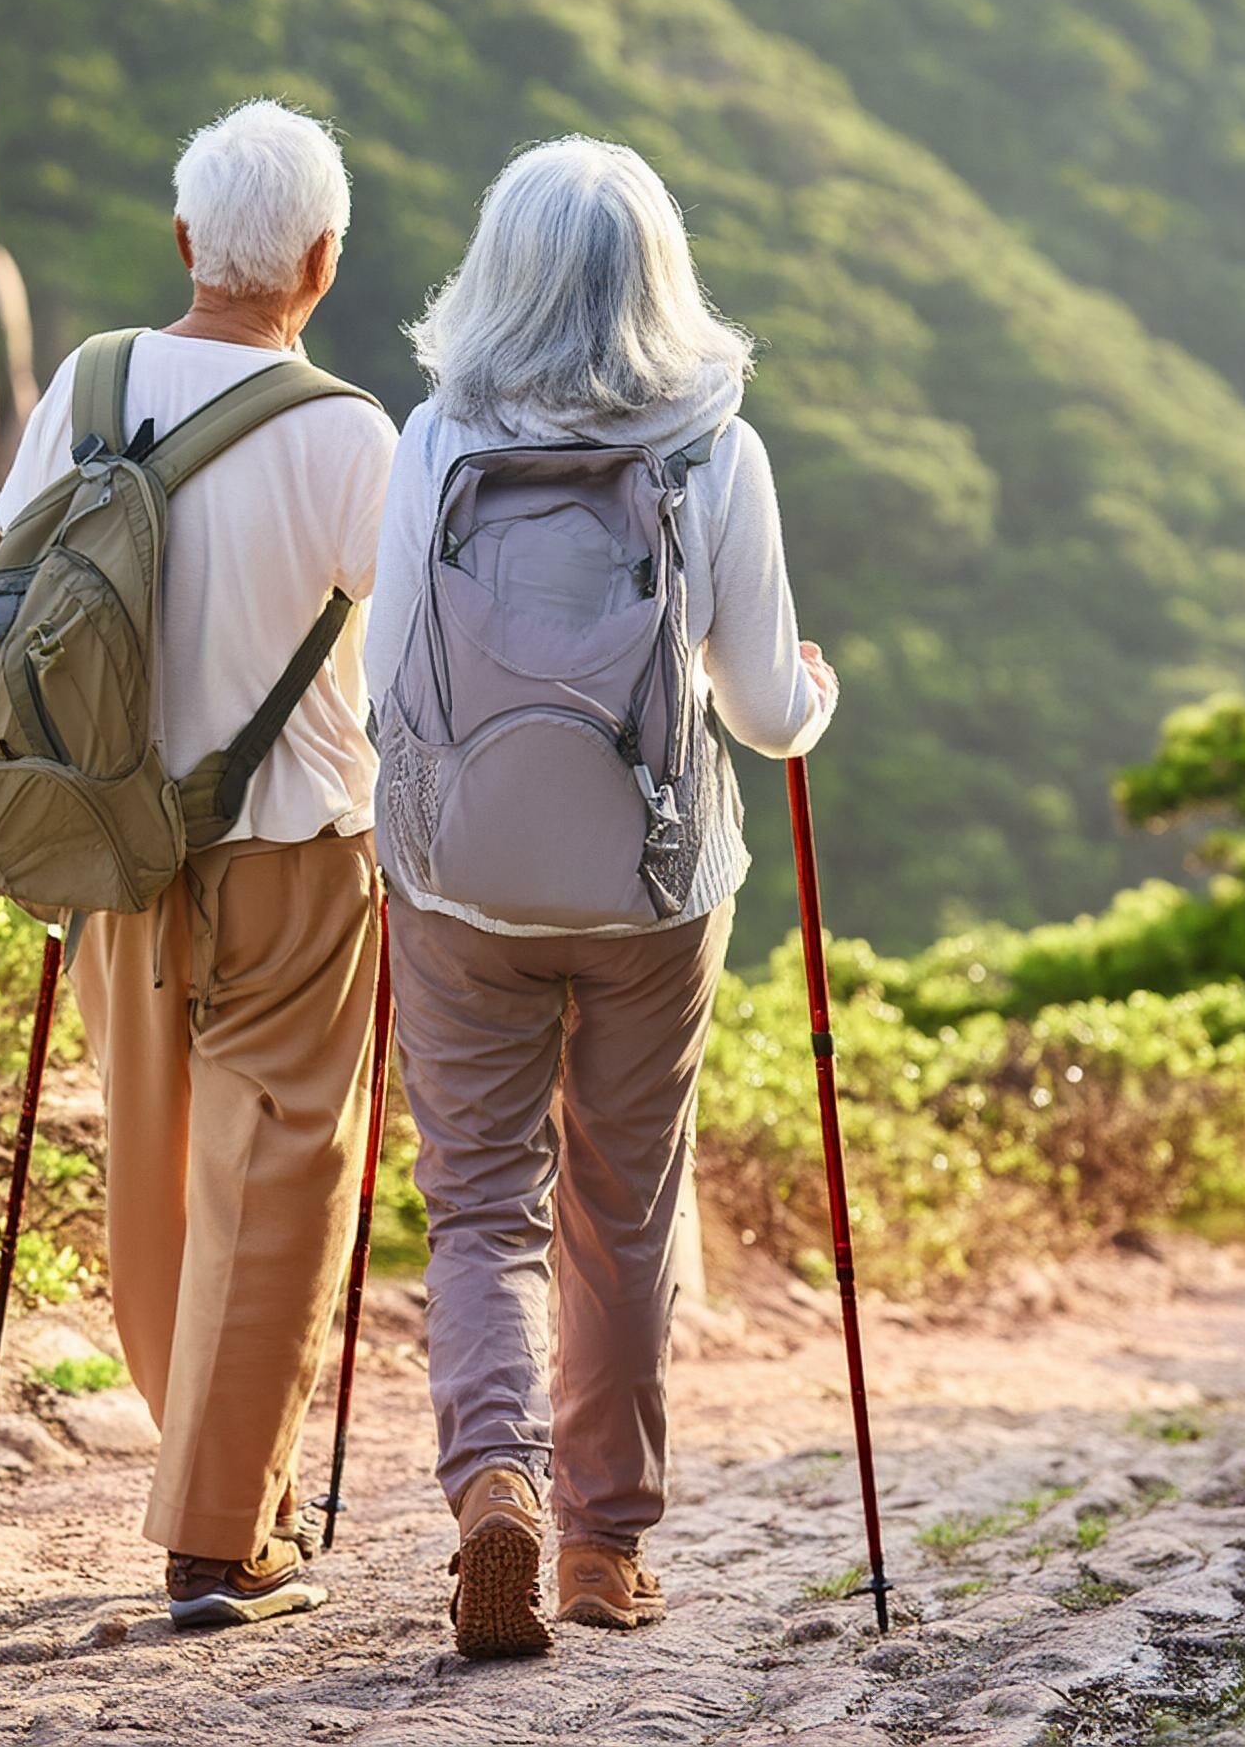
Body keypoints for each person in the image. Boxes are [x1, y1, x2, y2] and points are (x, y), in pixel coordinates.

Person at [363, 136, 838, 1658]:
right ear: (662, 276)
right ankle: (598, 1548)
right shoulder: (719, 450)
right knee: (620, 1212)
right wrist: (812, 700)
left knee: (483, 1206)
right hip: (652, 890)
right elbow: (764, 711)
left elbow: (388, 688)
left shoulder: (434, 440)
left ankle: (490, 1479)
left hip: (461, 886)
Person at [0, 100, 397, 1629]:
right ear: (324, 262)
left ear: (182, 241)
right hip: (294, 857)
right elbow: (406, 663)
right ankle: (222, 1537)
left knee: (155, 1176)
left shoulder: (86, 387)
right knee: (279, 1172)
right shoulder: (350, 435)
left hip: (110, 853)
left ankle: (223, 1477)